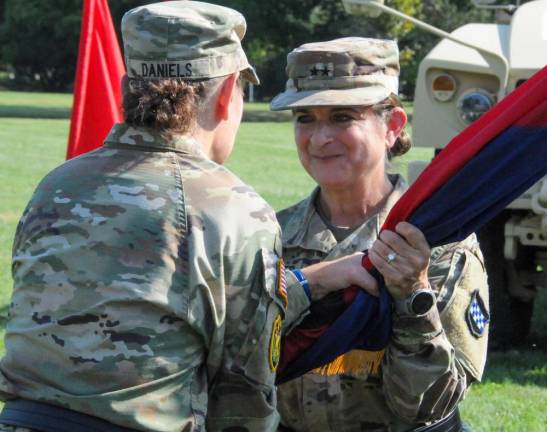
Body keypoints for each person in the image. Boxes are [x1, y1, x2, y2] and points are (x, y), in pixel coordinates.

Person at [0, 5, 377, 432]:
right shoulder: (234, 209)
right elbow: (243, 397)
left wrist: (311, 282)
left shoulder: (58, 184)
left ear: (129, 88)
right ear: (226, 94)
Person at [270, 37, 490, 432]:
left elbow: (427, 404)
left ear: (392, 126)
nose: (319, 139)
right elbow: (233, 362)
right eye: (305, 118)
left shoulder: (439, 244)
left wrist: (412, 294)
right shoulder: (270, 235)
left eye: (342, 117)